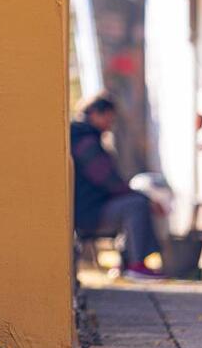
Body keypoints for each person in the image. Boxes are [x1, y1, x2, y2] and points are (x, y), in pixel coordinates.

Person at [70, 93, 164, 280]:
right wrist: (144, 198)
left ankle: (127, 263)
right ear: (95, 114)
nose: (110, 124)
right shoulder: (85, 141)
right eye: (108, 118)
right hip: (88, 212)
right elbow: (106, 180)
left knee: (134, 202)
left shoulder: (82, 137)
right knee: (136, 205)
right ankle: (135, 264)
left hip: (87, 207)